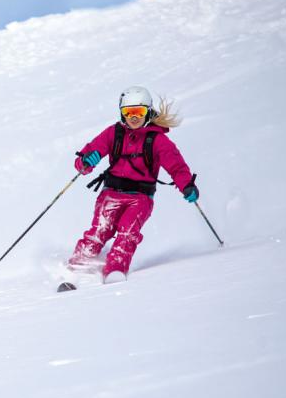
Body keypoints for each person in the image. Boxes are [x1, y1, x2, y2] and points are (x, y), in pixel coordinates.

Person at [70, 85, 198, 282]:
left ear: (148, 111)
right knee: (100, 229)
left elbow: (177, 167)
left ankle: (114, 270)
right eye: (128, 112)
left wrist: (187, 185)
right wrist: (86, 161)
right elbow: (84, 159)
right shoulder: (113, 133)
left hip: (140, 198)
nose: (134, 117)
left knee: (127, 232)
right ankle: (76, 268)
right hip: (111, 193)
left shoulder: (158, 141)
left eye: (139, 112)